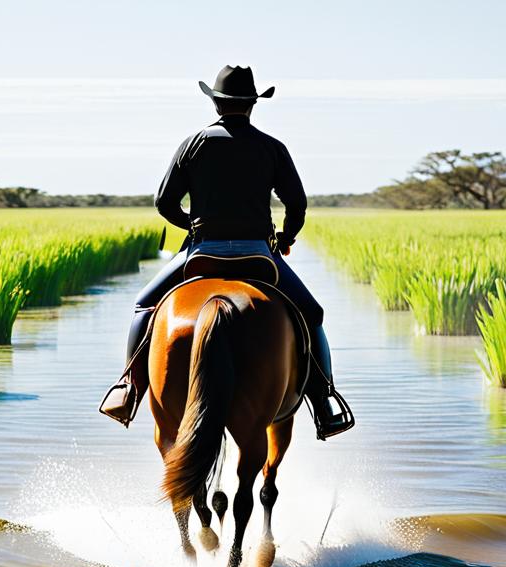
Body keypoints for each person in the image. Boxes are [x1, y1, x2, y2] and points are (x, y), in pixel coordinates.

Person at [100, 65, 353, 440]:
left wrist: (193, 225)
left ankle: (129, 390)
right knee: (312, 314)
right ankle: (324, 400)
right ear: (252, 105)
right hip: (259, 255)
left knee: (144, 306)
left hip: (202, 252)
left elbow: (164, 202)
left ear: (216, 104)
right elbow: (296, 203)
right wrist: (286, 236)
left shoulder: (193, 144)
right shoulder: (272, 147)